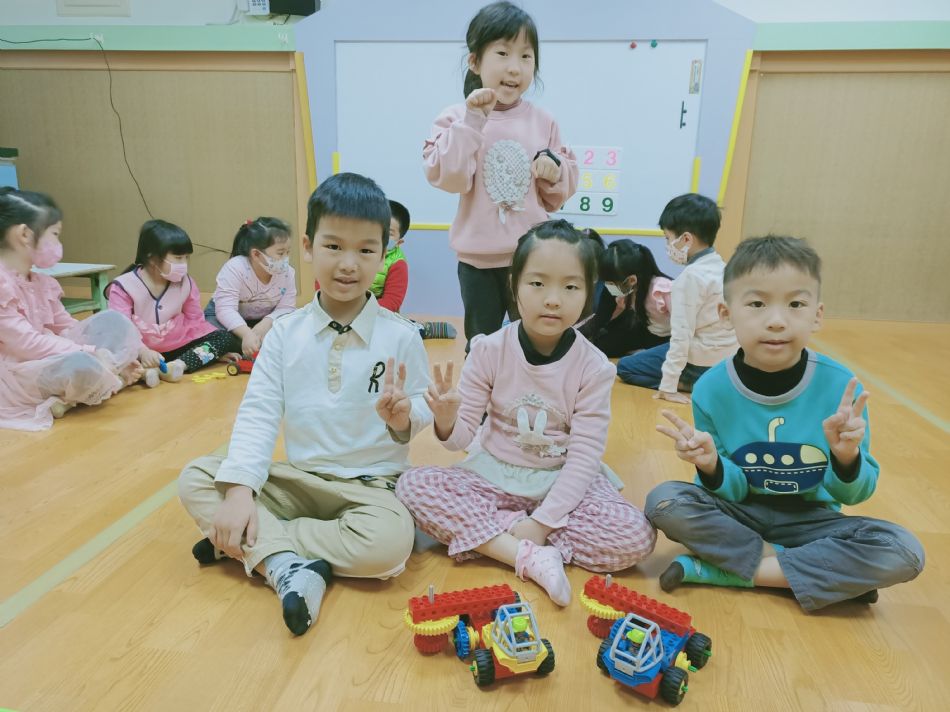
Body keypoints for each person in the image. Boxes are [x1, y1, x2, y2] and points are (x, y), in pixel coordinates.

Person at [177, 173, 432, 636]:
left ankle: (250, 542)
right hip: (300, 482)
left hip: (370, 489)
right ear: (310, 247)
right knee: (196, 476)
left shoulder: (402, 335)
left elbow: (420, 409)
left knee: (390, 544)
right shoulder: (285, 334)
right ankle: (283, 562)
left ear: (384, 254)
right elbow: (258, 413)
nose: (348, 264)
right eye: (334, 247)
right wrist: (240, 492)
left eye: (366, 250)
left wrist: (404, 420)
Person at [648, 235, 924, 611]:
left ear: (817, 315)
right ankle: (809, 575)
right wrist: (711, 465)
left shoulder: (841, 387)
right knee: (664, 501)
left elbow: (854, 495)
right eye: (757, 304)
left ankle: (729, 571)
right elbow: (732, 491)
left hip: (811, 522)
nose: (777, 321)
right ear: (726, 314)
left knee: (904, 550)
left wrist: (846, 458)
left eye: (795, 304)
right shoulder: (711, 389)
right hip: (741, 514)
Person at [396, 219, 655, 607]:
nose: (553, 299)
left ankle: (499, 535)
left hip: (560, 479)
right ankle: (528, 556)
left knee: (636, 537)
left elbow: (584, 458)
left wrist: (543, 522)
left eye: (570, 287)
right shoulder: (488, 349)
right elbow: (460, 439)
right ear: (514, 284)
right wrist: (447, 420)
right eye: (537, 283)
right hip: (494, 473)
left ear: (588, 293)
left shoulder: (594, 367)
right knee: (412, 486)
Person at [424, 1, 578, 348]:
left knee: (537, 341)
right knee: (482, 343)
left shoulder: (544, 121)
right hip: (476, 260)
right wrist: (473, 120)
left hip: (531, 258)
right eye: (503, 53)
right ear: (475, 61)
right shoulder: (455, 117)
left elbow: (556, 196)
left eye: (526, 56)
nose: (515, 68)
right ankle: (482, 387)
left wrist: (554, 171)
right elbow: (450, 178)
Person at [0, 187, 147, 430]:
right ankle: (111, 381)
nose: (58, 244)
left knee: (113, 320)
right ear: (25, 234)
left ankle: (102, 381)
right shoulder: (2, 284)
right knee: (79, 362)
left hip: (48, 352)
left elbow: (68, 326)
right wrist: (91, 353)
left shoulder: (41, 282)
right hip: (16, 370)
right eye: (54, 234)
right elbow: (26, 344)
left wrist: (105, 354)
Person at [617, 193, 737, 402]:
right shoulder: (724, 268)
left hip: (700, 362)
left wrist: (668, 387)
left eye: (668, 238)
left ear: (686, 239)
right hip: (728, 361)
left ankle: (693, 383)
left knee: (626, 367)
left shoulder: (689, 278)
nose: (668, 245)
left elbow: (681, 337)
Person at [106, 220, 233, 380]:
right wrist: (142, 351)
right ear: (152, 258)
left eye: (187, 257)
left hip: (176, 346)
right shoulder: (123, 286)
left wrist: (209, 350)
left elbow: (196, 322)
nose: (184, 264)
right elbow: (121, 330)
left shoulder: (186, 282)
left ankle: (176, 366)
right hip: (137, 349)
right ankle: (144, 372)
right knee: (111, 353)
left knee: (224, 338)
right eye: (178, 258)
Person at [205, 217, 297, 357]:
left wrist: (266, 323)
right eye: (280, 253)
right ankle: (231, 348)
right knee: (217, 336)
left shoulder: (287, 273)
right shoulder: (235, 268)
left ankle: (246, 346)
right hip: (223, 317)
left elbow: (287, 308)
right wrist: (246, 334)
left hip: (262, 319)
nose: (285, 258)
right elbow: (225, 309)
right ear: (256, 254)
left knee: (294, 330)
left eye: (288, 252)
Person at [371, 199, 457, 340]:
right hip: (349, 310)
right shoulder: (354, 252)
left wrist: (361, 312)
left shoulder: (397, 263)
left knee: (399, 333)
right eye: (376, 229)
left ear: (399, 242)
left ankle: (424, 329)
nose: (381, 236)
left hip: (381, 314)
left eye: (389, 233)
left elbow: (392, 302)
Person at [579, 237, 672, 358]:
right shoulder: (620, 285)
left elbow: (684, 328)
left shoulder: (662, 290)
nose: (607, 285)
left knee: (629, 364)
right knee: (601, 347)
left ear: (631, 280)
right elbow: (600, 317)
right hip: (646, 330)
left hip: (668, 338)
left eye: (610, 282)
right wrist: (574, 335)